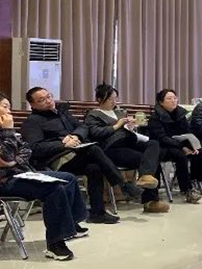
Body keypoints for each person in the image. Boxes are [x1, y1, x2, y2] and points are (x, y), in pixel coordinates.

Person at [21, 87, 140, 224]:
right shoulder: (32, 122)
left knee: (94, 168)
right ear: (33, 104)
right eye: (42, 100)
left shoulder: (61, 113)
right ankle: (122, 184)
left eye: (49, 96)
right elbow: (34, 148)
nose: (48, 101)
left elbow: (83, 127)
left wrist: (76, 135)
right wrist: (63, 144)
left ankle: (97, 213)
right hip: (55, 160)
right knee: (94, 149)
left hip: (74, 155)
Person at [0, 94, 88, 260]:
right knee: (54, 188)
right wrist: (8, 132)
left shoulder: (5, 130)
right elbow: (7, 158)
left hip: (20, 173)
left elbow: (26, 151)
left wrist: (12, 161)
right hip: (5, 181)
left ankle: (69, 226)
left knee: (68, 178)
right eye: (5, 107)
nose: (9, 111)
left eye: (9, 107)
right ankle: (55, 243)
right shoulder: (7, 130)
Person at [85, 83, 166, 213]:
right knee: (147, 159)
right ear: (100, 100)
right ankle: (150, 200)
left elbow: (127, 130)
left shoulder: (119, 112)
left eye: (115, 98)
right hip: (111, 147)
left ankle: (146, 178)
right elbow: (95, 133)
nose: (114, 102)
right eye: (110, 99)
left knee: (154, 145)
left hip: (129, 140)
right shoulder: (93, 115)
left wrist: (131, 126)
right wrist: (117, 125)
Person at [148, 89, 202, 204]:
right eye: (169, 98)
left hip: (180, 144)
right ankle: (187, 190)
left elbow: (187, 132)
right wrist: (182, 147)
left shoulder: (180, 114)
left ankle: (193, 179)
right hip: (162, 147)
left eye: (175, 98)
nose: (173, 101)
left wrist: (191, 146)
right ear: (161, 102)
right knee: (180, 156)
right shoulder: (155, 118)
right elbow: (162, 138)